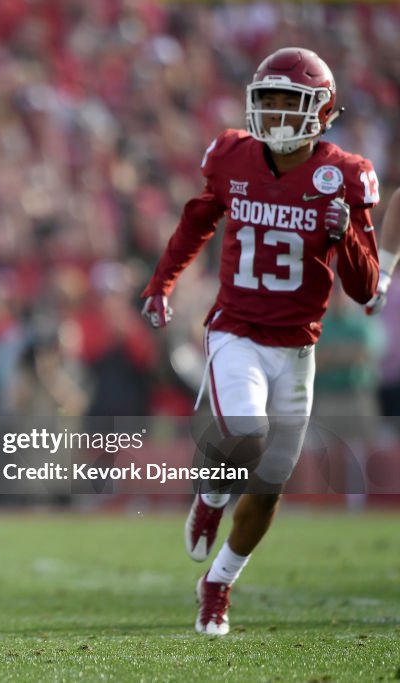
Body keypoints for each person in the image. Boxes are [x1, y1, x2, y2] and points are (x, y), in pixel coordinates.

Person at [140, 47, 380, 636]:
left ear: (321, 111)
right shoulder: (231, 155)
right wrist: (162, 282)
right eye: (265, 101)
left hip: (298, 346)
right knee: (246, 432)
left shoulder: (344, 174)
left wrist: (344, 232)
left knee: (271, 488)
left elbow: (367, 285)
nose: (274, 115)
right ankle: (211, 500)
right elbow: (198, 218)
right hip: (236, 329)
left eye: (288, 103)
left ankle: (217, 584)